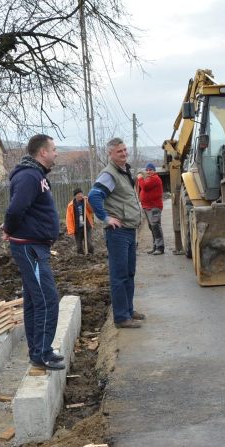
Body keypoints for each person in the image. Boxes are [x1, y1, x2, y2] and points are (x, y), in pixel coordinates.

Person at [3, 134, 64, 370]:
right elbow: (15, 209)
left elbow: (26, 210)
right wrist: (9, 229)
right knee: (47, 300)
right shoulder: (29, 176)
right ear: (43, 152)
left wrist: (11, 228)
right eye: (54, 149)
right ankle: (42, 354)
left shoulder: (36, 175)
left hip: (34, 246)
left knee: (33, 301)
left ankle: (38, 351)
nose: (56, 153)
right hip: (31, 248)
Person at [88, 138, 144, 329]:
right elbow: (94, 196)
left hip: (129, 229)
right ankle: (121, 317)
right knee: (119, 275)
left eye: (125, 150)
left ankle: (128, 310)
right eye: (119, 151)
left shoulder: (123, 171)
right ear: (110, 154)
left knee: (129, 272)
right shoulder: (109, 174)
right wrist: (106, 218)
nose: (124, 153)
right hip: (118, 232)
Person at [137, 162, 165, 255]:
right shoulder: (149, 178)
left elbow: (145, 187)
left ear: (154, 171)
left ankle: (160, 247)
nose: (148, 172)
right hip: (148, 206)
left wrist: (140, 178)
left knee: (155, 226)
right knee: (152, 227)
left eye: (150, 170)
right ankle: (155, 246)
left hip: (154, 207)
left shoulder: (154, 178)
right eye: (147, 170)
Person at [64, 188, 94, 255]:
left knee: (89, 243)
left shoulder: (85, 201)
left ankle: (91, 256)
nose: (80, 195)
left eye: (81, 194)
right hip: (77, 228)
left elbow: (92, 210)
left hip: (87, 226)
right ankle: (80, 257)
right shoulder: (71, 205)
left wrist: (87, 202)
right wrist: (71, 230)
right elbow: (69, 219)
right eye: (78, 194)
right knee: (79, 246)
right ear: (75, 196)